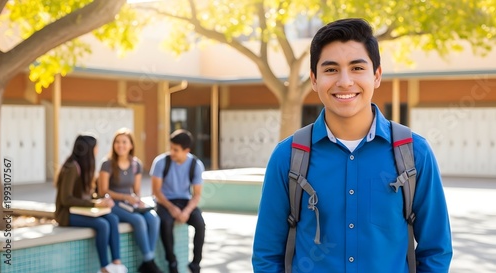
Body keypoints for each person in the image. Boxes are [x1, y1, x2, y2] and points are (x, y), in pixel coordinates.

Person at [252, 18, 453, 272]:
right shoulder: (288, 157)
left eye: (357, 68)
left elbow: (436, 250)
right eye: (331, 69)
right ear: (314, 80)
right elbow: (267, 256)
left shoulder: (414, 153)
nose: (345, 82)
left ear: (377, 75)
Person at [55, 134, 128, 273]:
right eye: (95, 147)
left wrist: (101, 200)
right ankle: (104, 268)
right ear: (89, 150)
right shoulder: (72, 167)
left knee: (112, 218)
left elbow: (87, 194)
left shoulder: (85, 166)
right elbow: (66, 199)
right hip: (65, 214)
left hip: (80, 210)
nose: (97, 150)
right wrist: (94, 204)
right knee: (102, 224)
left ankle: (116, 263)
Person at [98, 128, 163, 273]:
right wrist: (125, 197)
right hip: (113, 203)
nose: (120, 145)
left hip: (130, 203)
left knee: (153, 219)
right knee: (138, 220)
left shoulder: (136, 164)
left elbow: (137, 191)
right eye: (117, 142)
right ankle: (149, 262)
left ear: (131, 145)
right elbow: (103, 190)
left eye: (124, 142)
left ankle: (148, 260)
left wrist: (137, 200)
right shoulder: (107, 164)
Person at [149, 129, 206, 273]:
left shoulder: (196, 165)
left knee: (200, 224)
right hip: (164, 201)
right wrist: (171, 208)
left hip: (185, 201)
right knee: (166, 222)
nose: (172, 152)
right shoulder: (161, 162)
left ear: (187, 150)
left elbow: (197, 195)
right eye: (171, 148)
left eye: (176, 150)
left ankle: (195, 264)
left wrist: (186, 212)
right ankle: (172, 262)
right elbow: (156, 191)